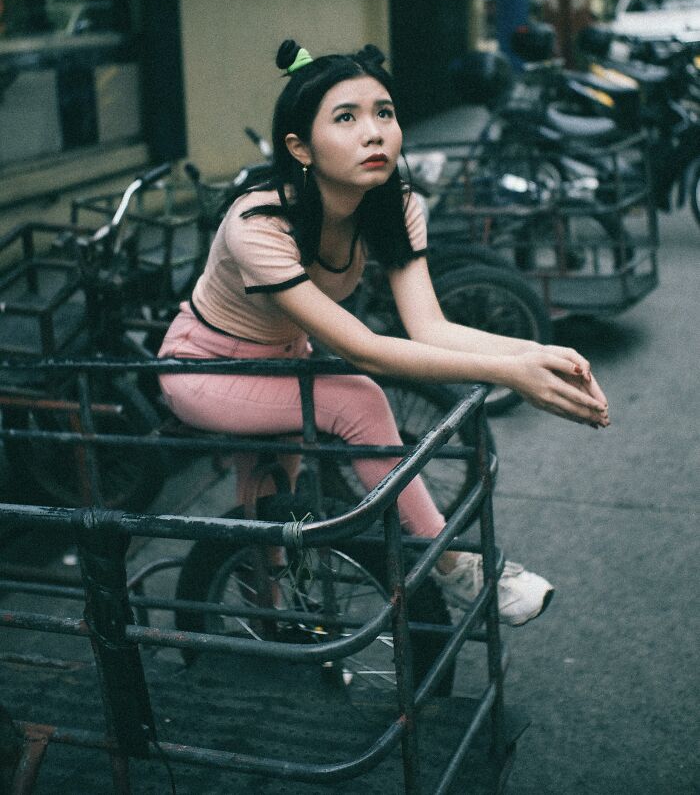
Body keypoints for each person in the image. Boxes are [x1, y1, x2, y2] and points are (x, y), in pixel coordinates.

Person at [159, 39, 610, 627]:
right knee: (357, 398)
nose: (374, 132)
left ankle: (269, 627)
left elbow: (429, 326)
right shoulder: (258, 223)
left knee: (269, 513)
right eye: (345, 118)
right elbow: (360, 349)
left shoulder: (392, 203)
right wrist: (509, 374)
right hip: (206, 369)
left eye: (384, 113)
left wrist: (539, 353)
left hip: (286, 361)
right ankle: (452, 567)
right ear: (299, 146)